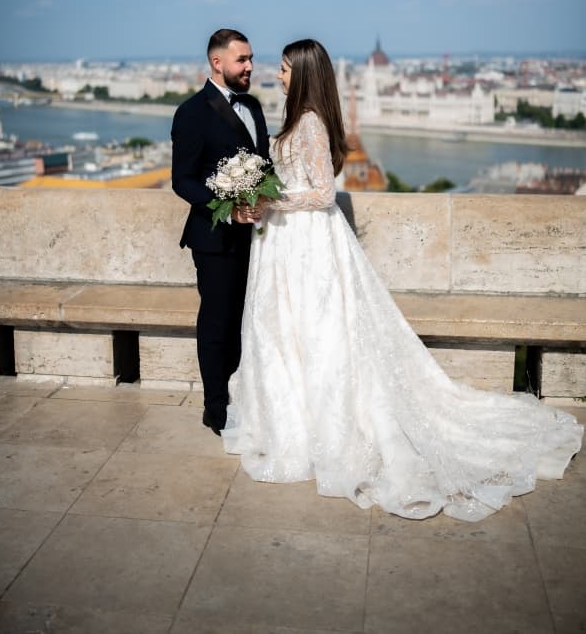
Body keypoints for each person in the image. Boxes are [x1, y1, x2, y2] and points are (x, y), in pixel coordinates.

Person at [222, 38, 583, 522]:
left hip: (305, 242)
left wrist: (270, 201)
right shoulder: (302, 118)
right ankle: (300, 418)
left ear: (303, 73)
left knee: (315, 332)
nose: (279, 74)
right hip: (289, 243)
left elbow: (323, 194)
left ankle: (317, 427)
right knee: (294, 333)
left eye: (286, 69)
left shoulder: (308, 122)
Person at [172, 28, 270, 436]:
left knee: (249, 321)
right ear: (218, 63)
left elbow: (263, 163)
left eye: (250, 59)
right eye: (242, 60)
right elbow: (184, 181)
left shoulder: (253, 105)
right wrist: (228, 211)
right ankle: (217, 409)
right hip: (214, 240)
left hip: (258, 238)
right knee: (218, 324)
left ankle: (246, 397)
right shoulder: (192, 112)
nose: (250, 66)